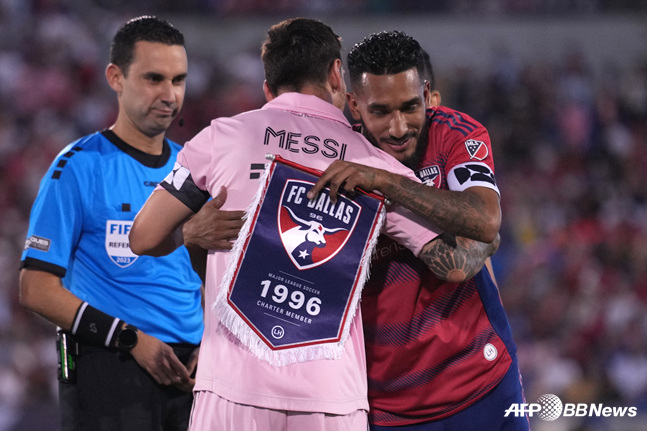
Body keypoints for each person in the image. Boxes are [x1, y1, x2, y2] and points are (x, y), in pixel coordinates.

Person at [127, 18, 484, 431]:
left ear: (268, 88)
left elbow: (143, 238)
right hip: (330, 397)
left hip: (231, 387)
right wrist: (488, 234)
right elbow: (455, 263)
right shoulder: (372, 163)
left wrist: (190, 233)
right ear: (336, 74)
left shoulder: (221, 137)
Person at [310, 31, 528, 430]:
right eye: (380, 112)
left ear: (427, 94)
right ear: (354, 105)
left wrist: (385, 181)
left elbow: (485, 220)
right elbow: (470, 252)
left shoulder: (455, 133)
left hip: (484, 379)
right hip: (390, 404)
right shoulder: (333, 157)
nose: (398, 128)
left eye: (410, 107)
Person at [18, 16, 218, 431]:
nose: (169, 95)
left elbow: (208, 275)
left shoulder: (195, 168)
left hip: (192, 374)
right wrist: (130, 339)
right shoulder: (77, 167)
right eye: (154, 78)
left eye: (178, 80)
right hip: (109, 364)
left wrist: (212, 341)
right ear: (116, 78)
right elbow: (35, 288)